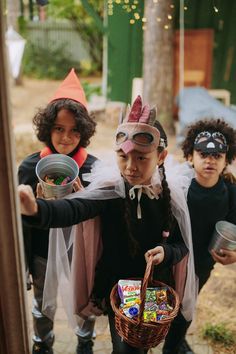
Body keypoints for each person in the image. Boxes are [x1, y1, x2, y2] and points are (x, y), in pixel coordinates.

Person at [18, 95, 194, 354]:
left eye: (142, 158)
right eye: (123, 156)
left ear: (161, 156)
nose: (130, 167)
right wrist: (36, 210)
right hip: (118, 288)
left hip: (155, 287)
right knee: (124, 348)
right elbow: (75, 207)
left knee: (139, 346)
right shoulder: (111, 190)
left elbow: (181, 245)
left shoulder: (168, 196)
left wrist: (167, 252)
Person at [18, 68, 98, 354]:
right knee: (43, 300)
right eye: (59, 129)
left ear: (85, 132)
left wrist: (83, 199)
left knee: (85, 299)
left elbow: (101, 217)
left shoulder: (93, 169)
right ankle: (43, 343)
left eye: (75, 130)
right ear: (47, 129)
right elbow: (21, 223)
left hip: (80, 251)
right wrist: (35, 208)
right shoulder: (30, 168)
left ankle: (85, 342)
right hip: (42, 251)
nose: (66, 138)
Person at [161, 118, 236, 354]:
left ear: (227, 160)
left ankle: (173, 345)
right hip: (171, 261)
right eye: (203, 153)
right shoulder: (178, 186)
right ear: (190, 156)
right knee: (162, 305)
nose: (210, 160)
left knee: (187, 308)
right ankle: (149, 340)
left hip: (203, 263)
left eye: (217, 155)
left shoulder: (231, 192)